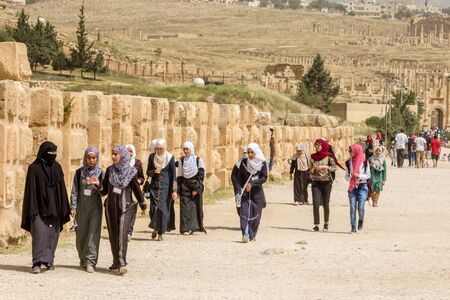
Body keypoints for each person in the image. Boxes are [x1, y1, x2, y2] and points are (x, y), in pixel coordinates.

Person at [21, 141, 71, 274]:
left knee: (52, 235)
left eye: (55, 153)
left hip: (55, 208)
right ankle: (36, 262)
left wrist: (64, 208)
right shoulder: (34, 168)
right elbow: (30, 191)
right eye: (50, 153)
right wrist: (32, 209)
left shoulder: (57, 167)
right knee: (39, 234)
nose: (53, 156)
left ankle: (49, 261)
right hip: (38, 208)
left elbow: (62, 189)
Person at [100, 145, 147, 275]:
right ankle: (115, 261)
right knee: (113, 235)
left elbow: (137, 189)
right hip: (110, 208)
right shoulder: (110, 170)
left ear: (123, 155)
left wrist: (143, 205)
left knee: (122, 234)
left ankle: (122, 262)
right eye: (112, 154)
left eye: (116, 154)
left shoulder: (131, 172)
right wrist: (96, 185)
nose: (113, 156)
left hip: (126, 207)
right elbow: (104, 190)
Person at [70, 147, 104, 273]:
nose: (91, 160)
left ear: (97, 158)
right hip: (81, 207)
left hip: (95, 207)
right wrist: (73, 207)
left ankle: (90, 261)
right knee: (81, 235)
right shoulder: (79, 173)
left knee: (92, 234)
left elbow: (104, 191)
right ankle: (83, 259)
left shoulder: (101, 173)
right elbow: (74, 191)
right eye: (89, 158)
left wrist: (98, 184)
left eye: (93, 158)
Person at [236, 143, 268, 243]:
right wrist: (238, 190)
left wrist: (252, 183)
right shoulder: (244, 162)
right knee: (244, 213)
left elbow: (264, 177)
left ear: (256, 152)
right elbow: (238, 178)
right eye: (248, 152)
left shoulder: (262, 163)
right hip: (245, 192)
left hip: (257, 193)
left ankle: (252, 234)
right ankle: (245, 234)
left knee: (256, 215)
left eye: (252, 152)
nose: (249, 154)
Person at [146, 139, 177, 241]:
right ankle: (155, 227)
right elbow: (148, 172)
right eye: (157, 149)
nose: (158, 151)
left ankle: (160, 233)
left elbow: (173, 175)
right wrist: (154, 171)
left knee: (163, 211)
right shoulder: (152, 157)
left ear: (164, 148)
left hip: (166, 189)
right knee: (153, 209)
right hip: (154, 187)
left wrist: (174, 191)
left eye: (161, 149)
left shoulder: (170, 158)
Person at [309, 139, 342, 232]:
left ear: (323, 146)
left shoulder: (328, 157)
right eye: (315, 145)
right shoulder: (312, 157)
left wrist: (324, 167)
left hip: (326, 182)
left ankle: (326, 223)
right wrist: (313, 169)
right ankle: (316, 224)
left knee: (325, 203)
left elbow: (334, 167)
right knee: (315, 203)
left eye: (318, 145)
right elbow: (309, 170)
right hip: (316, 182)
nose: (316, 147)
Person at [177, 141, 207, 235]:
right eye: (184, 149)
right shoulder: (182, 161)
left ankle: (196, 227)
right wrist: (178, 190)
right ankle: (185, 228)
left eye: (187, 149)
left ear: (191, 149)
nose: (185, 151)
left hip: (195, 184)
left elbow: (201, 175)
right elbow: (180, 176)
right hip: (185, 185)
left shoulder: (198, 160)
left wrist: (196, 189)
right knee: (184, 207)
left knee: (197, 206)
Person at [345, 144, 370, 233]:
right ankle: (353, 227)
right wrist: (351, 177)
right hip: (352, 187)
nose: (350, 153)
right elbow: (346, 176)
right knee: (352, 207)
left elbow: (368, 175)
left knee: (361, 208)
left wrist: (358, 176)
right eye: (349, 151)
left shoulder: (365, 162)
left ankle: (361, 220)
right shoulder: (348, 162)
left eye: (351, 151)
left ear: (357, 151)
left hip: (362, 186)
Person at [126, 144, 145, 242]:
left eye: (130, 151)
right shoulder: (121, 162)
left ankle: (129, 231)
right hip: (124, 191)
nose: (129, 153)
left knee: (133, 212)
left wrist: (139, 181)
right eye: (127, 151)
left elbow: (142, 178)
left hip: (134, 191)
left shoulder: (137, 163)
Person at [231, 149, 247, 215]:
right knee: (239, 204)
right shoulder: (238, 164)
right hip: (239, 189)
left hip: (249, 188)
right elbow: (233, 176)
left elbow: (257, 176)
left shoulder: (254, 165)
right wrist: (237, 187)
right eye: (245, 153)